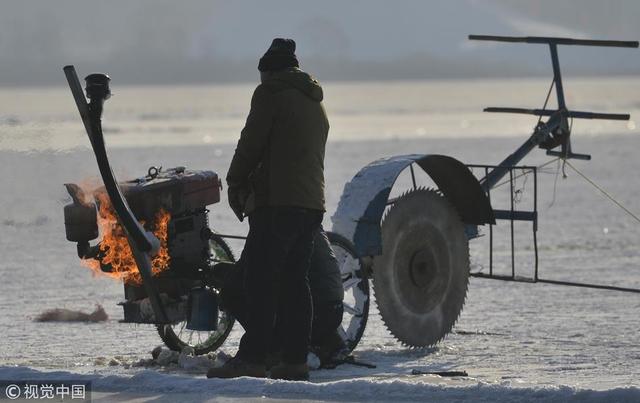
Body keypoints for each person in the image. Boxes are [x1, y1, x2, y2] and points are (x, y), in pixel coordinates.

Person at [207, 38, 329, 381]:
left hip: (277, 204)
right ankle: (293, 360)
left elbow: (251, 142)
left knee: (259, 282)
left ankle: (253, 358)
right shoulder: (314, 100)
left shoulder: (271, 93)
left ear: (269, 72)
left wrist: (234, 181)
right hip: (310, 204)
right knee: (294, 282)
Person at [212, 226, 347, 369]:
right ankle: (322, 340)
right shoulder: (306, 221)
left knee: (232, 290)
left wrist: (223, 276)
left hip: (313, 314)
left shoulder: (273, 222)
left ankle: (272, 348)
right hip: (332, 310)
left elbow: (256, 268)